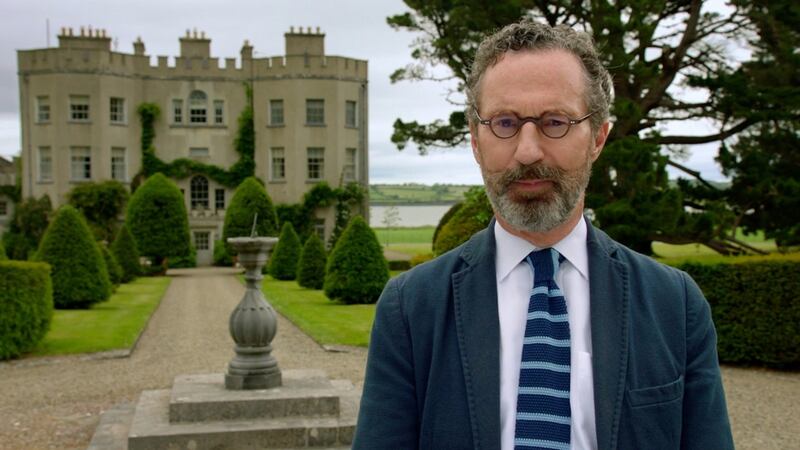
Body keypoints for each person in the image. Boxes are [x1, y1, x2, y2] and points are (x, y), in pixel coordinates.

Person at [353, 20, 734, 450]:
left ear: (598, 138)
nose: (528, 151)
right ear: (476, 141)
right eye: (504, 123)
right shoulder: (411, 307)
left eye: (555, 122)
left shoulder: (674, 304)